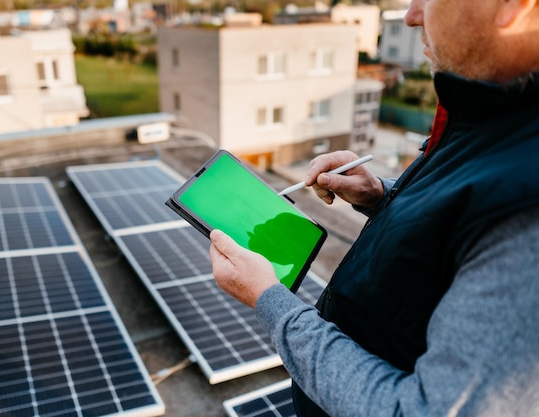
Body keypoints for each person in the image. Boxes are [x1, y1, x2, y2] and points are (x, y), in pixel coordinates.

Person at [208, 0, 539, 415]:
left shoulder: (529, 214)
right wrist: (384, 195)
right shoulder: (493, 118)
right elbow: (459, 230)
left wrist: (269, 298)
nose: (411, 14)